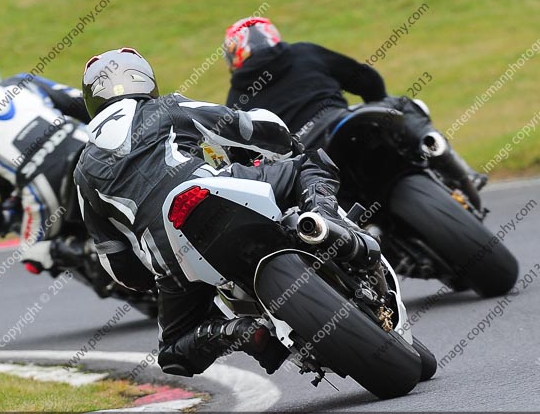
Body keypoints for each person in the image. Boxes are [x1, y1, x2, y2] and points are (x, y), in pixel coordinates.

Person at [74, 47, 377, 377]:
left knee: (173, 352)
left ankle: (236, 331)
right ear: (144, 80)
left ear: (91, 98)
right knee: (310, 164)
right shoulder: (166, 106)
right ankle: (323, 223)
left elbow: (115, 259)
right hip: (213, 190)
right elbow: (243, 126)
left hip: (170, 252)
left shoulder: (83, 171)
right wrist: (287, 144)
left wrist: (157, 281)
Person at [223, 17, 487, 191]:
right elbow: (369, 81)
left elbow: (243, 158)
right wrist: (376, 101)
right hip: (343, 122)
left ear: (235, 54)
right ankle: (457, 170)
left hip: (307, 161)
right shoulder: (304, 52)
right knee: (400, 104)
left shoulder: (235, 98)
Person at [0, 52, 93, 272]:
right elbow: (81, 102)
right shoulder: (23, 81)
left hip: (44, 187)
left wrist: (0, 224)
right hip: (88, 147)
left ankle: (87, 251)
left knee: (30, 254)